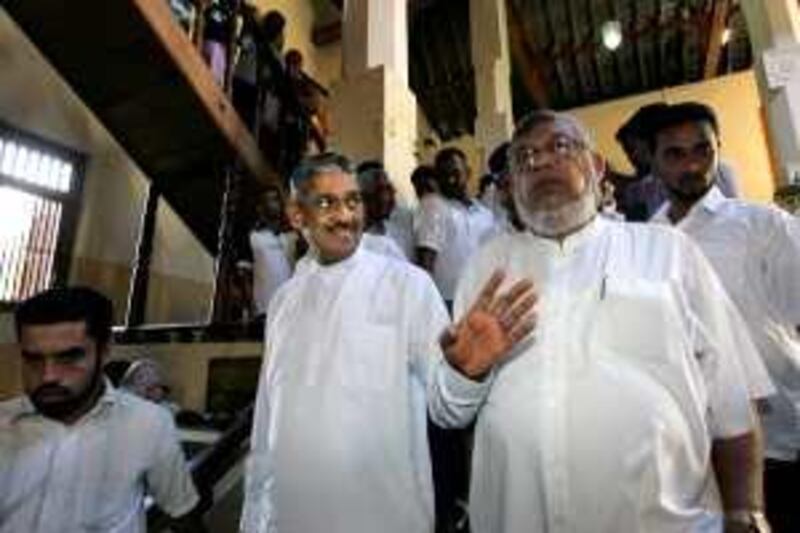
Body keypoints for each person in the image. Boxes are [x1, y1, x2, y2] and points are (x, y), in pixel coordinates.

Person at [428, 110, 771, 533]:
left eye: (559, 146)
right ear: (511, 186)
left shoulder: (667, 251)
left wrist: (745, 512)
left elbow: (733, 401)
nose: (540, 162)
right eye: (525, 157)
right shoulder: (486, 268)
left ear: (596, 165)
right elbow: (447, 413)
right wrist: (465, 373)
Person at [239, 152, 537, 533]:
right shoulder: (283, 302)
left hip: (383, 516)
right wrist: (255, 521)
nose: (346, 216)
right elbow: (267, 422)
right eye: (327, 203)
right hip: (289, 518)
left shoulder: (407, 286)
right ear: (297, 216)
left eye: (352, 201)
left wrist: (465, 372)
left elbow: (448, 410)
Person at [649, 101, 800, 533]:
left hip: (780, 437)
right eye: (674, 154)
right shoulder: (648, 245)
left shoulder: (762, 225)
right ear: (653, 163)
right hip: (698, 450)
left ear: (719, 149)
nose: (692, 164)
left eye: (702, 149)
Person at [0, 287, 204, 533]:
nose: (48, 375)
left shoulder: (148, 424)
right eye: (34, 359)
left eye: (69, 358)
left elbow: (183, 516)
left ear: (105, 350)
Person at [416, 147, 497, 306]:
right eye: (443, 176)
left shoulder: (485, 214)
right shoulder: (434, 206)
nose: (450, 180)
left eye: (455, 173)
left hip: (481, 298)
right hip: (447, 300)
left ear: (468, 172)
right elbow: (426, 262)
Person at [247, 185, 296, 318]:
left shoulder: (292, 235)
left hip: (290, 307)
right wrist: (250, 304)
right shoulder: (253, 236)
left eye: (276, 199)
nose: (275, 204)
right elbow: (244, 274)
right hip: (264, 307)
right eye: (270, 200)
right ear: (261, 207)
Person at [357, 165, 414, 259]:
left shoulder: (396, 233)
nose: (392, 195)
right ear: (364, 197)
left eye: (390, 189)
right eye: (383, 190)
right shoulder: (351, 239)